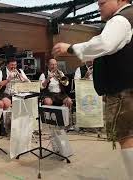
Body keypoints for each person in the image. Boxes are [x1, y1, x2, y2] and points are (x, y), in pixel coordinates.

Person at [52, 0, 133, 178]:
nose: (98, 6)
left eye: (102, 2)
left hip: (125, 93)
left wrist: (71, 48)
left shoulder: (121, 19)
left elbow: (104, 43)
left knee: (127, 136)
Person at [0, 58, 31, 135]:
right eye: (12, 65)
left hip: (18, 93)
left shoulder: (20, 71)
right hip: (5, 93)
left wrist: (22, 77)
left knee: (27, 101)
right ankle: (4, 126)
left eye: (15, 65)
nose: (14, 67)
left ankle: (20, 125)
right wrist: (8, 80)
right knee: (6, 103)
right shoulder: (1, 72)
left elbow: (28, 83)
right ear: (7, 64)